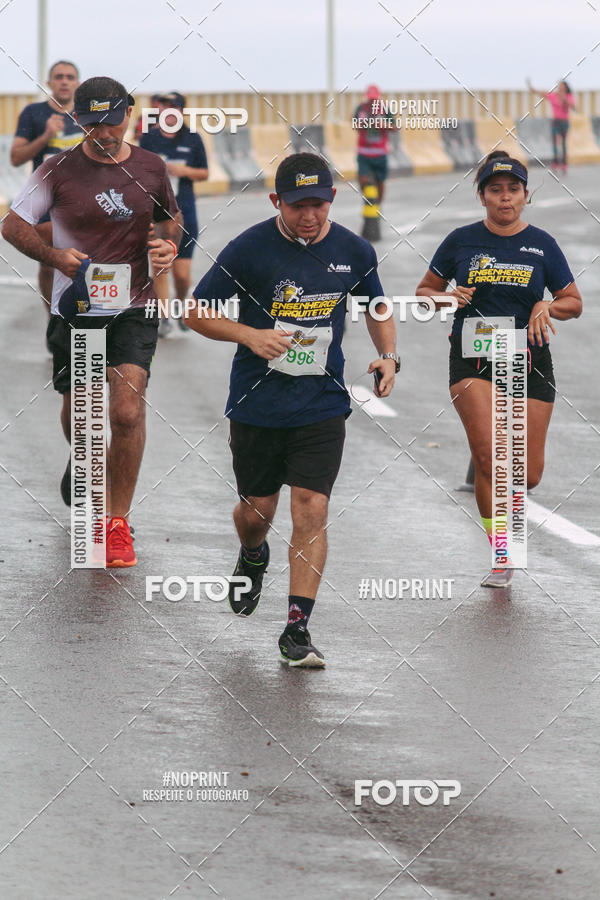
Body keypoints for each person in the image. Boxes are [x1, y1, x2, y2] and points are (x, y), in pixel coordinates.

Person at [185, 152, 399, 665]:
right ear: (276, 201)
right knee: (257, 511)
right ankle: (252, 554)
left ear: (332, 201)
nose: (310, 215)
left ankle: (297, 628)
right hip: (257, 402)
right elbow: (195, 310)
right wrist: (249, 335)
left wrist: (389, 356)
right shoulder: (250, 249)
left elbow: (377, 307)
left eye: (319, 205)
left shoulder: (353, 250)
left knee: (312, 506)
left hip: (321, 403)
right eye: (298, 205)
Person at [2, 76, 181, 567]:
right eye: (94, 122)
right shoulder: (56, 169)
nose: (104, 131)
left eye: (113, 120)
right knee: (81, 417)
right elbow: (11, 225)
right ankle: (82, 458)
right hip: (76, 306)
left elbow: (171, 221)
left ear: (129, 113)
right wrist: (55, 256)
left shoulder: (151, 167)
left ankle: (115, 524)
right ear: (78, 119)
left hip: (133, 305)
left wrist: (167, 247)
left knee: (125, 411)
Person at [416, 150, 582, 588]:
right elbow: (424, 292)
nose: (504, 198)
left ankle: (489, 456)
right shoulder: (460, 241)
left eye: (513, 190)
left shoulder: (542, 244)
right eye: (495, 190)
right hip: (473, 358)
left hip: (528, 358)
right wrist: (447, 298)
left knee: (526, 473)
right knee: (492, 457)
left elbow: (574, 302)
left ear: (526, 195)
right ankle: (503, 553)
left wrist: (547, 303)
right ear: (482, 195)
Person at [10, 60, 83, 325]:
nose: (64, 81)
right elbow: (16, 157)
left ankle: (87, 324)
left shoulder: (87, 115)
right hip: (47, 201)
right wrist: (46, 137)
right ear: (50, 82)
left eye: (70, 77)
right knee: (50, 264)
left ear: (77, 83)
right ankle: (57, 321)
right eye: (59, 77)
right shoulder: (34, 113)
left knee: (87, 263)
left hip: (84, 201)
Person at [140, 91, 208, 336]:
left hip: (185, 211)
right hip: (157, 212)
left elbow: (204, 173)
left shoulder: (193, 139)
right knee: (159, 265)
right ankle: (163, 317)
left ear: (181, 112)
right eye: (164, 107)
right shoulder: (149, 139)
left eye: (173, 108)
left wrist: (183, 170)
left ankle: (180, 304)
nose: (168, 112)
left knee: (181, 273)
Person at [353, 84, 395, 204]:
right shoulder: (361, 108)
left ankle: (378, 204)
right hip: (364, 152)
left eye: (374, 99)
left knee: (380, 181)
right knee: (362, 179)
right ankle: (368, 198)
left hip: (380, 152)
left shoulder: (384, 109)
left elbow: (394, 127)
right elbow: (354, 124)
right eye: (370, 98)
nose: (372, 101)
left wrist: (383, 125)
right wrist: (364, 125)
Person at [528, 79, 576, 173]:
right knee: (555, 143)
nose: (560, 87)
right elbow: (542, 93)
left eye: (561, 85)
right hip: (556, 122)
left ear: (565, 87)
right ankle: (555, 162)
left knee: (563, 144)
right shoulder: (554, 96)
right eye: (559, 86)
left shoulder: (568, 96)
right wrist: (532, 88)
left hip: (564, 122)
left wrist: (564, 98)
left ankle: (564, 164)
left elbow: (573, 107)